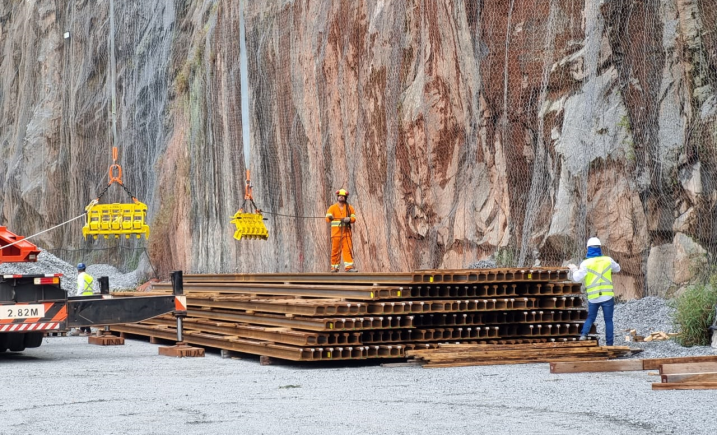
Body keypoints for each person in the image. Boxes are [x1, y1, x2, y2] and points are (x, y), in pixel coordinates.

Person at [568, 237, 621, 346]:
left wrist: (574, 269)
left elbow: (577, 278)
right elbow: (618, 269)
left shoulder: (586, 263)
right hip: (607, 296)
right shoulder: (608, 260)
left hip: (593, 297)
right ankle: (609, 344)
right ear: (599, 248)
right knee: (608, 321)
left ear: (588, 249)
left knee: (591, 317)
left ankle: (583, 334)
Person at [325, 188, 357, 272]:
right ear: (337, 197)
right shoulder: (332, 208)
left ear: (345, 197)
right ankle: (334, 268)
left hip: (346, 234)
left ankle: (349, 268)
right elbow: (327, 218)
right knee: (335, 251)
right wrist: (330, 217)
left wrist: (349, 219)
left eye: (343, 196)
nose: (341, 197)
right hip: (336, 234)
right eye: (340, 196)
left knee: (347, 250)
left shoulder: (350, 208)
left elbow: (354, 218)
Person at [76, 263, 94, 336]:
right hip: (90, 296)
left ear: (78, 270)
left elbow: (81, 286)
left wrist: (77, 295)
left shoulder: (80, 276)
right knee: (85, 313)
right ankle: (82, 329)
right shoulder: (89, 276)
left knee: (82, 313)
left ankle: (88, 331)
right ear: (85, 269)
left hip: (83, 296)